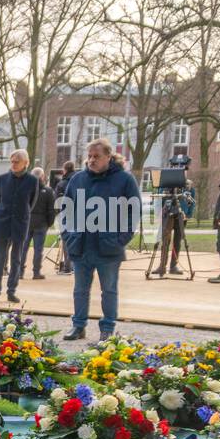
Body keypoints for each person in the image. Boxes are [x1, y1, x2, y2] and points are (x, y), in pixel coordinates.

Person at [60, 138, 141, 342]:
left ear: (108, 157)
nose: (91, 160)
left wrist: (120, 239)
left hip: (108, 248)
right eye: (89, 156)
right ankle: (78, 326)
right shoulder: (77, 179)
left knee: (109, 290)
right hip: (81, 246)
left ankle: (107, 329)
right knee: (80, 290)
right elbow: (65, 211)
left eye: (96, 156)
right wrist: (69, 237)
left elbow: (134, 212)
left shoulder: (124, 179)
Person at [0, 149, 39, 303]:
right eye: (12, 161)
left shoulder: (32, 180)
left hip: (19, 225)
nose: (13, 164)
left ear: (26, 163)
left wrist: (22, 217)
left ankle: (11, 291)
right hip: (1, 224)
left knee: (16, 260)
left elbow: (31, 204)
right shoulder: (3, 178)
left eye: (17, 161)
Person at [25, 167, 56, 279]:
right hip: (41, 223)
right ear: (42, 177)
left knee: (23, 248)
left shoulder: (26, 189)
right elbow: (51, 210)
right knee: (38, 249)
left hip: (27, 222)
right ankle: (36, 272)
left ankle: (19, 271)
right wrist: (49, 223)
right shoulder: (48, 191)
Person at [53, 160, 76, 274]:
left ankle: (67, 267)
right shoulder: (79, 181)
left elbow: (56, 202)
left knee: (67, 241)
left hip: (65, 215)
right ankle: (76, 266)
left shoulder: (61, 184)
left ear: (64, 170)